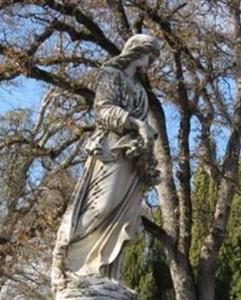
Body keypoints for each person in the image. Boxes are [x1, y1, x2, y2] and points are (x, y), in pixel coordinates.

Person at [51, 34, 161, 293]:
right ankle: (67, 260)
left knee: (123, 214)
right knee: (101, 206)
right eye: (150, 55)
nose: (151, 61)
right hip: (110, 149)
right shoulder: (111, 74)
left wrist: (146, 147)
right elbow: (103, 110)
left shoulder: (139, 88)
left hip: (132, 157)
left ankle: (102, 272)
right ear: (137, 51)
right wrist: (135, 124)